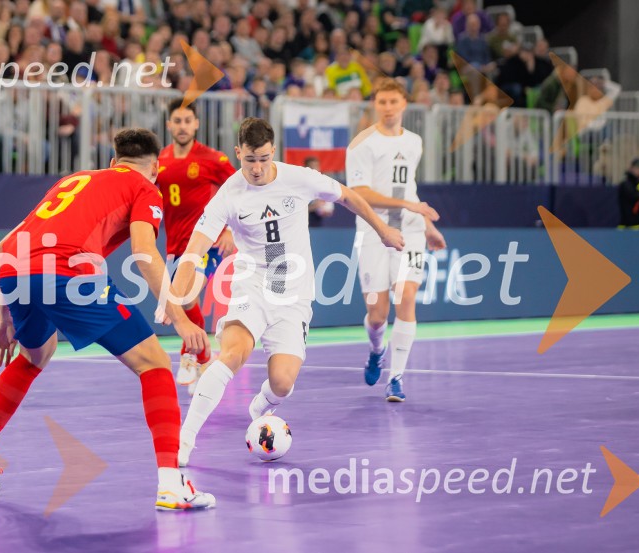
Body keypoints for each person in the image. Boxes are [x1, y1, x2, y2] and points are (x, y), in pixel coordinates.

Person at [0, 128, 216, 511]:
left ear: (113, 163)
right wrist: (179, 316)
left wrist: (4, 321)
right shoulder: (145, 188)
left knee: (34, 355)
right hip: (66, 271)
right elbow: (144, 253)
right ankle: (172, 483)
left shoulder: (74, 179)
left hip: (14, 270)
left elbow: (3, 245)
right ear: (155, 168)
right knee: (154, 362)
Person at [171, 117, 406, 467]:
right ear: (238, 153)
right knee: (231, 355)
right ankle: (183, 443)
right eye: (249, 160)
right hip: (252, 285)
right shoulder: (230, 194)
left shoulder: (299, 178)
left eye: (264, 159)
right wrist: (175, 296)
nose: (257, 168)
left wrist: (383, 228)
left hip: (293, 295)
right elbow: (194, 248)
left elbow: (348, 197)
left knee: (281, 383)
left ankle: (260, 407)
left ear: (273, 152)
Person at [346, 78, 446, 402]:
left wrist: (427, 225)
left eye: (393, 102)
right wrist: (407, 205)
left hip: (411, 232)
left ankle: (397, 379)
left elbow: (409, 189)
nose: (388, 108)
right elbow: (359, 193)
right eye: (382, 102)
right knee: (377, 315)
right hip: (374, 231)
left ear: (404, 104)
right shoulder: (362, 144)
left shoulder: (414, 141)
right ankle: (377, 351)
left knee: (406, 297)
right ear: (375, 104)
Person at [157, 98, 237, 389]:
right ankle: (203, 355)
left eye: (187, 121)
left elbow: (237, 189)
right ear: (169, 124)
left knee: (187, 297)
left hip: (206, 243)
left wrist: (229, 229)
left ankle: (188, 353)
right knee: (184, 300)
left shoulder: (211, 158)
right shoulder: (160, 161)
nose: (182, 126)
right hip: (175, 247)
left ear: (196, 124)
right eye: (177, 121)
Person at [618, 158, 639, 228]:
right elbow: (636, 196)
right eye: (637, 168)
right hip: (626, 227)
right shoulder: (626, 184)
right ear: (631, 168)